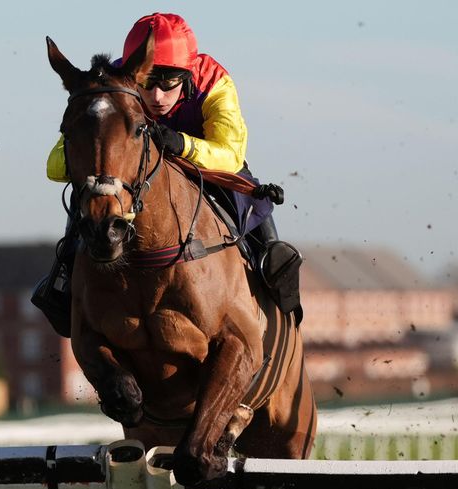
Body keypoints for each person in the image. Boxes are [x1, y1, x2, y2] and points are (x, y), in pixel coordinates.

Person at [33, 13, 302, 337]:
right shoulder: (114, 84)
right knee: (91, 192)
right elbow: (55, 167)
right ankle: (64, 278)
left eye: (168, 83)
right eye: (148, 83)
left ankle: (273, 262)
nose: (157, 96)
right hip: (136, 172)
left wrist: (182, 145)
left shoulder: (215, 82)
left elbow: (230, 156)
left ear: (187, 75)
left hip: (207, 163)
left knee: (250, 194)